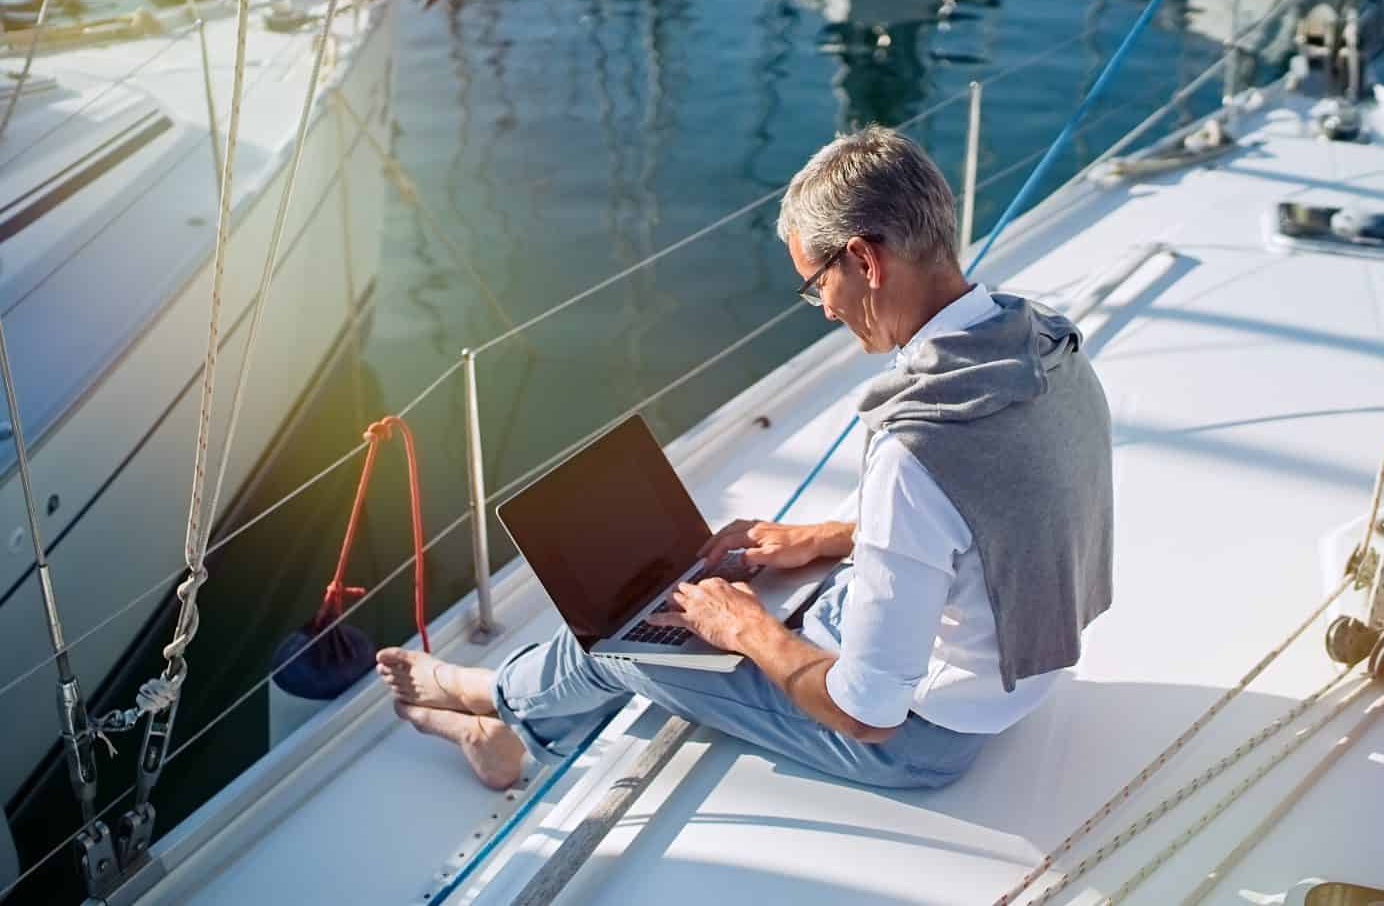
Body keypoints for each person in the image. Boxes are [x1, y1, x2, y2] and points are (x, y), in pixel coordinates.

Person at [377, 125, 1113, 791]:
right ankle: (505, 721)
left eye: (817, 282)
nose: (824, 307)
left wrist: (743, 630)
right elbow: (991, 506)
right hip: (1014, 680)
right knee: (684, 608)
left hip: (922, 738)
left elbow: (869, 712)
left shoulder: (916, 451)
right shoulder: (1044, 345)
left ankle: (483, 703)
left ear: (863, 259)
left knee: (633, 628)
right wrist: (821, 537)